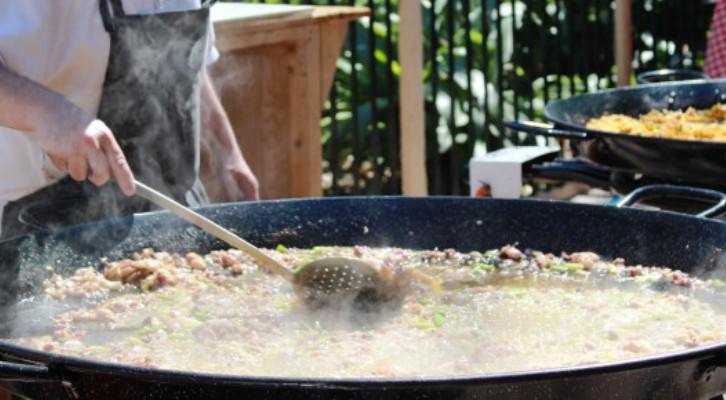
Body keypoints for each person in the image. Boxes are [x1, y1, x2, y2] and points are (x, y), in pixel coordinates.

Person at [0, 0, 258, 240]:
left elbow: (186, 60)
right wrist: (46, 112)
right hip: (39, 222)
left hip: (176, 208)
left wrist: (227, 152)